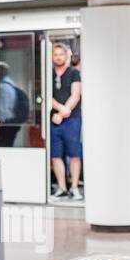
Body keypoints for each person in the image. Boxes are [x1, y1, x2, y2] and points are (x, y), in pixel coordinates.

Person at [48, 42, 82, 199]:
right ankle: (62, 187)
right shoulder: (48, 74)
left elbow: (76, 95)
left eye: (61, 54)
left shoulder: (74, 73)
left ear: (66, 55)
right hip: (54, 121)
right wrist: (60, 111)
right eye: (55, 54)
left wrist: (62, 113)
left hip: (72, 120)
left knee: (74, 154)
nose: (58, 57)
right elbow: (46, 95)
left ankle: (74, 187)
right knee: (55, 155)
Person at [0, 61, 29, 148]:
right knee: (7, 146)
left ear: (0, 73)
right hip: (12, 124)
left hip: (5, 124)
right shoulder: (11, 85)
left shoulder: (2, 87)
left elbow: (2, 110)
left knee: (1, 148)